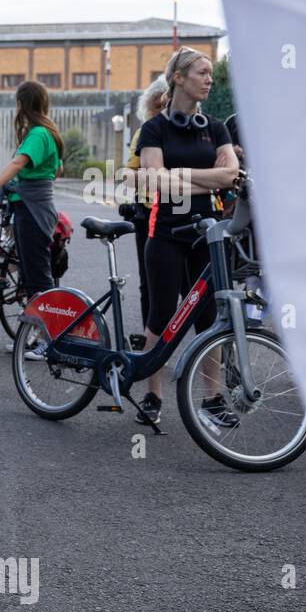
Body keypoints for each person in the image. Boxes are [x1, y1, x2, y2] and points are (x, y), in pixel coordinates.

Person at [133, 47, 239, 426]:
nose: (209, 79)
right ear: (178, 77)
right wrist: (203, 174)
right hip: (165, 233)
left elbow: (231, 176)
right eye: (202, 72)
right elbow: (155, 180)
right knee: (160, 315)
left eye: (211, 73)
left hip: (207, 233)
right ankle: (152, 394)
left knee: (208, 318)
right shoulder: (155, 128)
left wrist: (180, 173)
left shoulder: (215, 127)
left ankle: (211, 399)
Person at [0, 81, 64, 350]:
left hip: (32, 211)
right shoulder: (48, 133)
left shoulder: (38, 134)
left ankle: (50, 339)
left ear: (23, 103)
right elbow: (57, 171)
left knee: (37, 277)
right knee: (29, 277)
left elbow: (17, 163)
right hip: (33, 208)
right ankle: (34, 335)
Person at [116, 75, 170, 341]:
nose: (161, 111)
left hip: (186, 210)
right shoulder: (145, 132)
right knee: (148, 280)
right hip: (149, 212)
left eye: (165, 105)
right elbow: (129, 171)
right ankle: (151, 338)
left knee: (189, 284)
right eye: (156, 107)